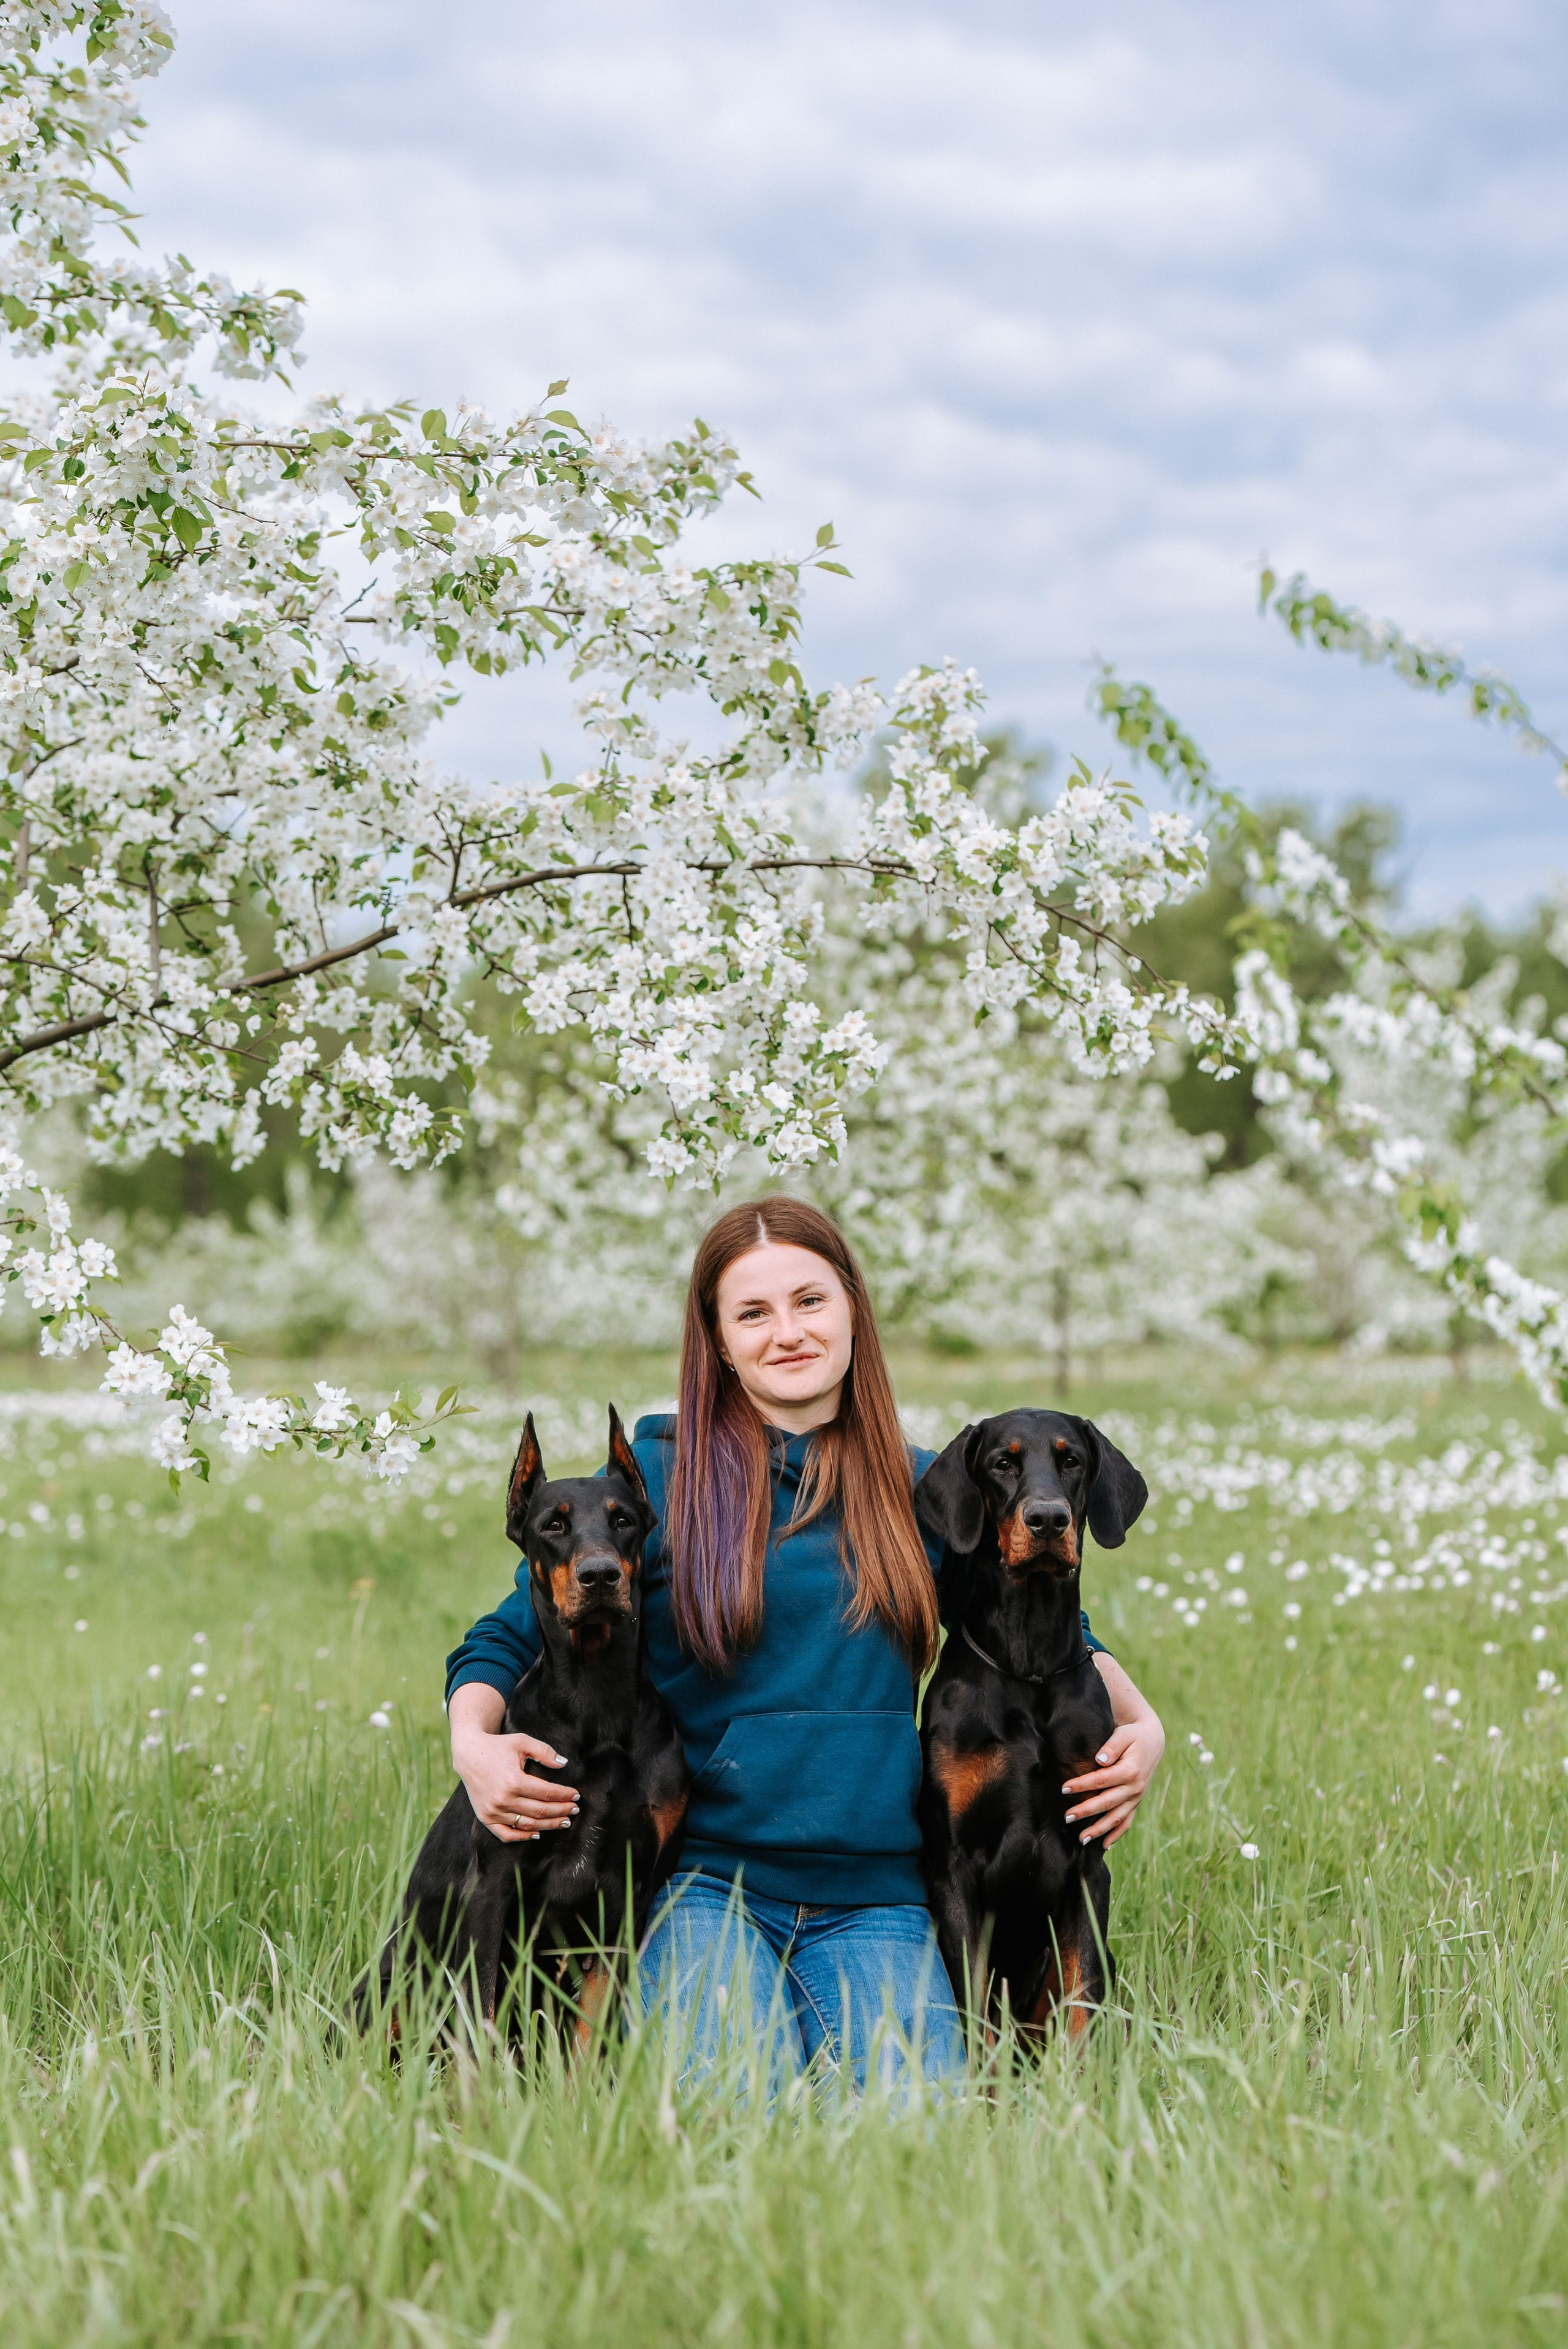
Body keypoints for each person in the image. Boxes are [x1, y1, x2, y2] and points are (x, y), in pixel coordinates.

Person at [444, 1197, 1166, 2086]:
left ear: (854, 1311)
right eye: (753, 1312)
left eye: (810, 1301)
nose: (787, 1332)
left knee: (912, 2137)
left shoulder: (920, 1489)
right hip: (705, 1889)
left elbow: (1047, 1633)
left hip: (881, 1900)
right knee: (740, 2112)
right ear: (716, 1340)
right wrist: (472, 1741)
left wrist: (1144, 1729)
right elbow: (509, 1634)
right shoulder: (659, 1477)